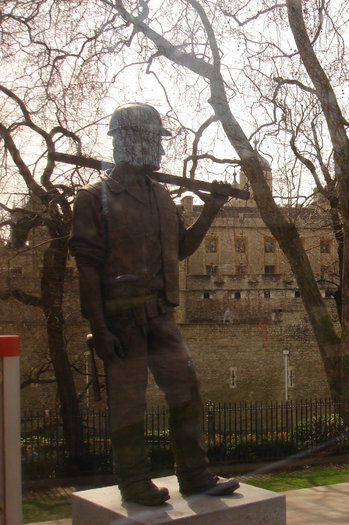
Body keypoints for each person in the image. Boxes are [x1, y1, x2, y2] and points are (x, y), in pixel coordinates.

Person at [69, 103, 239, 505]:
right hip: (121, 319)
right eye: (152, 141)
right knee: (128, 403)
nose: (160, 151)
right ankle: (132, 481)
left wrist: (211, 208)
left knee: (187, 391)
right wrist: (100, 326)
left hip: (162, 316)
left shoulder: (162, 196)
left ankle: (195, 474)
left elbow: (181, 249)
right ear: (131, 141)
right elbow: (88, 270)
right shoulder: (95, 198)